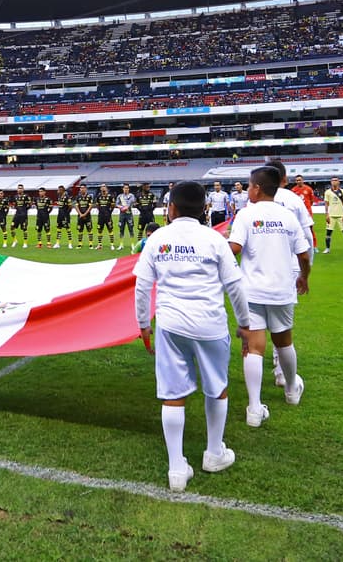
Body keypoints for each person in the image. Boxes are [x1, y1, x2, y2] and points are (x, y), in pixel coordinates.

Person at [134, 180, 250, 491]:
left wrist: (143, 324)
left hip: (171, 325)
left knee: (173, 392)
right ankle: (214, 453)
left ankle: (176, 469)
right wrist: (245, 323)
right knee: (217, 387)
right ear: (205, 209)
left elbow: (142, 286)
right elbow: (235, 286)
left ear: (170, 208)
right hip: (210, 324)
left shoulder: (158, 238)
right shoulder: (214, 239)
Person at [228, 167, 310, 428]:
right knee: (284, 342)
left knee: (254, 347)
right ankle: (291, 390)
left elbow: (235, 248)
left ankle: (254, 408)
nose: (247, 190)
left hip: (251, 290)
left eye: (249, 185)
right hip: (281, 289)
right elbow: (304, 254)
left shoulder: (246, 214)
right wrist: (304, 277)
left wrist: (219, 247)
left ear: (257, 188)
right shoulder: (287, 216)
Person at [322, 177, 343, 254]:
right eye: (333, 180)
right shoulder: (327, 192)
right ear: (331, 182)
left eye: (336, 180)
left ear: (338, 182)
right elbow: (326, 204)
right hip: (331, 215)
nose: (334, 182)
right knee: (328, 232)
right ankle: (327, 248)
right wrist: (327, 215)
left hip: (341, 215)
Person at [116, 183, 137, 251]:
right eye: (125, 188)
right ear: (123, 189)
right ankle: (121, 244)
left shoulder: (131, 195)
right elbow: (116, 204)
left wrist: (126, 207)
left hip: (129, 214)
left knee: (131, 229)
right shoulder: (120, 196)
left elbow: (131, 202)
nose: (126, 189)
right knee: (121, 229)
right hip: (122, 215)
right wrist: (121, 207)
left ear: (129, 189)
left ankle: (132, 244)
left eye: (127, 188)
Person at [95, 184, 116, 250]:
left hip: (108, 216)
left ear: (106, 188)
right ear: (100, 188)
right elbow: (97, 205)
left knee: (110, 229)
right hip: (101, 216)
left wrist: (109, 212)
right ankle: (99, 245)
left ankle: (112, 245)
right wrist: (101, 211)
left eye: (104, 187)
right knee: (99, 230)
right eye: (102, 187)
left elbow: (113, 205)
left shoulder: (110, 196)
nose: (103, 188)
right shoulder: (98, 196)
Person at [10, 184, 32, 248]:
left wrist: (24, 210)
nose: (20, 189)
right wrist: (17, 208)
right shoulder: (15, 196)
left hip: (24, 215)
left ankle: (25, 243)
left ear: (23, 189)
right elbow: (14, 204)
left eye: (21, 188)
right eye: (19, 188)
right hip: (17, 214)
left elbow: (30, 205)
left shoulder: (26, 196)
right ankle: (15, 241)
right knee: (12, 227)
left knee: (24, 228)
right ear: (17, 189)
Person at [54, 184, 73, 249]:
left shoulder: (67, 197)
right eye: (58, 190)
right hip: (60, 215)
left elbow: (70, 207)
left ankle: (70, 244)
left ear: (62, 190)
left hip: (65, 215)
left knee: (68, 229)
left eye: (59, 190)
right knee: (59, 229)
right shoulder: (59, 196)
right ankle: (57, 243)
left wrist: (66, 214)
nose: (58, 191)